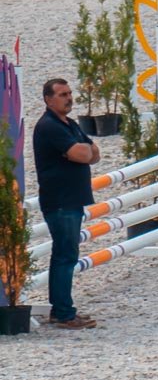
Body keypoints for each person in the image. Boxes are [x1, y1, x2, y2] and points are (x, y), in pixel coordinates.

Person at [33, 79, 99, 329]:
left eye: (70, 93)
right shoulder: (49, 126)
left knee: (67, 254)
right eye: (62, 94)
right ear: (49, 100)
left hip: (72, 200)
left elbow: (94, 153)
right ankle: (63, 312)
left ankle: (63, 309)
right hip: (59, 201)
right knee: (64, 255)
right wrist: (82, 151)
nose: (68, 98)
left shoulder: (69, 124)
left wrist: (83, 151)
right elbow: (84, 153)